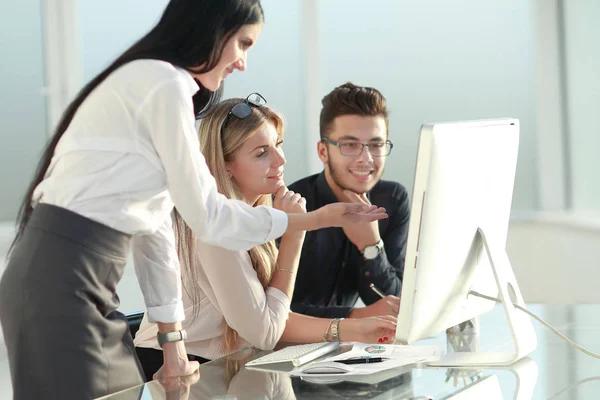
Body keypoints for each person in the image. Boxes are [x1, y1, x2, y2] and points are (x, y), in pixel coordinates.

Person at [0, 3, 386, 399]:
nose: (242, 62)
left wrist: (172, 343)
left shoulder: (157, 86)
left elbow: (156, 236)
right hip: (61, 284)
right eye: (243, 43)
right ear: (214, 30)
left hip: (88, 285)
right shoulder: (162, 82)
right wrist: (310, 221)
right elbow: (208, 217)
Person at [134, 97, 397, 380]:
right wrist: (295, 235)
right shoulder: (217, 229)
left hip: (225, 366)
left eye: (278, 145)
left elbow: (270, 316)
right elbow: (266, 332)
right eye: (262, 153)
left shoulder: (251, 216)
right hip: (176, 372)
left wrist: (354, 328)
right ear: (225, 166)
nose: (280, 160)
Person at [289, 82, 411, 319]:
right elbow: (271, 316)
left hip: (348, 349)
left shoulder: (393, 200)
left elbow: (393, 305)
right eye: (350, 145)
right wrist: (355, 316)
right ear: (323, 152)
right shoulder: (291, 207)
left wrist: (371, 246)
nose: (366, 158)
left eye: (376, 145)